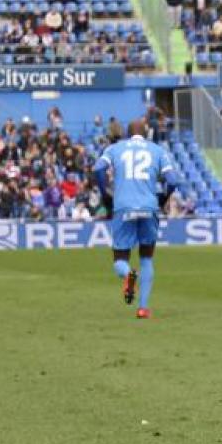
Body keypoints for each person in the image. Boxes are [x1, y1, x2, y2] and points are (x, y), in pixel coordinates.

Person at [93, 119, 180, 320]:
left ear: (127, 133)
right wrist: (163, 198)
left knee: (119, 260)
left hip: (123, 207)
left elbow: (98, 168)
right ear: (146, 132)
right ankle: (143, 308)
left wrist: (105, 193)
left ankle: (128, 274)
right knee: (147, 258)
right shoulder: (157, 150)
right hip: (149, 208)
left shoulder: (115, 148)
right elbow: (173, 181)